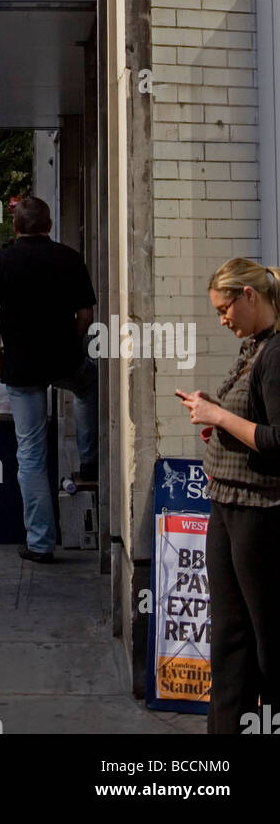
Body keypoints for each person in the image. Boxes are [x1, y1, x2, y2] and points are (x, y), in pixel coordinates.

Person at [176, 258, 280, 734]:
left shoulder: (275, 354)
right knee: (229, 636)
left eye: (224, 308)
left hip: (258, 512)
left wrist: (219, 419)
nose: (222, 319)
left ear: (249, 296)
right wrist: (219, 421)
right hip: (229, 501)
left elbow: (277, 441)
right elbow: (250, 425)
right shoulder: (255, 346)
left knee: (261, 639)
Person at [0, 196, 98, 563]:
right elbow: (86, 315)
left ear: (16, 227)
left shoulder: (2, 261)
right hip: (63, 358)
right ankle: (89, 460)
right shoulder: (70, 258)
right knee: (89, 387)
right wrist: (70, 341)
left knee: (30, 452)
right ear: (49, 225)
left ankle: (41, 542)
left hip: (21, 365)